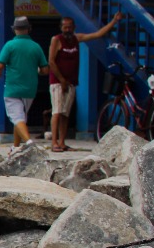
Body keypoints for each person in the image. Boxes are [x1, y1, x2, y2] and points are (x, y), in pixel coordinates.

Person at [47, 12, 123, 151]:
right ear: (61, 27)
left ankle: (62, 142)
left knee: (65, 114)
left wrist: (114, 21)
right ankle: (54, 143)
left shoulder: (77, 39)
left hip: (71, 82)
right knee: (56, 112)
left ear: (74, 27)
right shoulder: (56, 40)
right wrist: (62, 80)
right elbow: (51, 61)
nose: (67, 29)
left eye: (70, 27)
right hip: (58, 82)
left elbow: (97, 34)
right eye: (65, 27)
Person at [0, 16, 47, 147]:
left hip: (13, 89)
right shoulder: (36, 47)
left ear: (14, 30)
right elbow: (45, 70)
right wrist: (35, 70)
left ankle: (29, 142)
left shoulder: (10, 45)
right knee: (20, 118)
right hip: (30, 90)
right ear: (29, 29)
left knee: (17, 118)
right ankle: (16, 148)